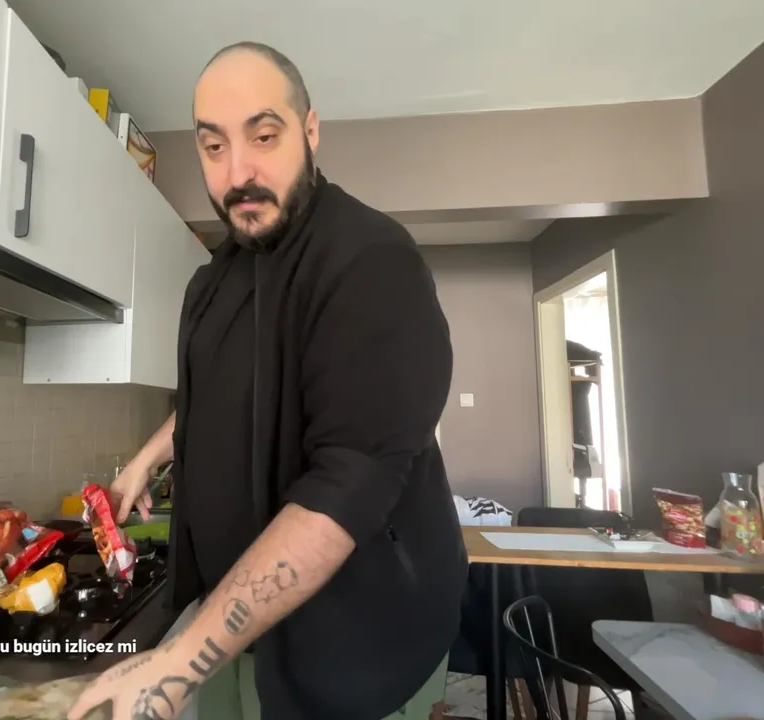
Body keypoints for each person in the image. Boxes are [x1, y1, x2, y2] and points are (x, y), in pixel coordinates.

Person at [69, 41, 466, 720]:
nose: (239, 173)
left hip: (355, 653)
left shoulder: (371, 263)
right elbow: (221, 396)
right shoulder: (217, 277)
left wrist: (179, 660)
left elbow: (347, 483)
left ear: (309, 131)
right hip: (238, 633)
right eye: (213, 146)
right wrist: (147, 458)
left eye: (263, 135)